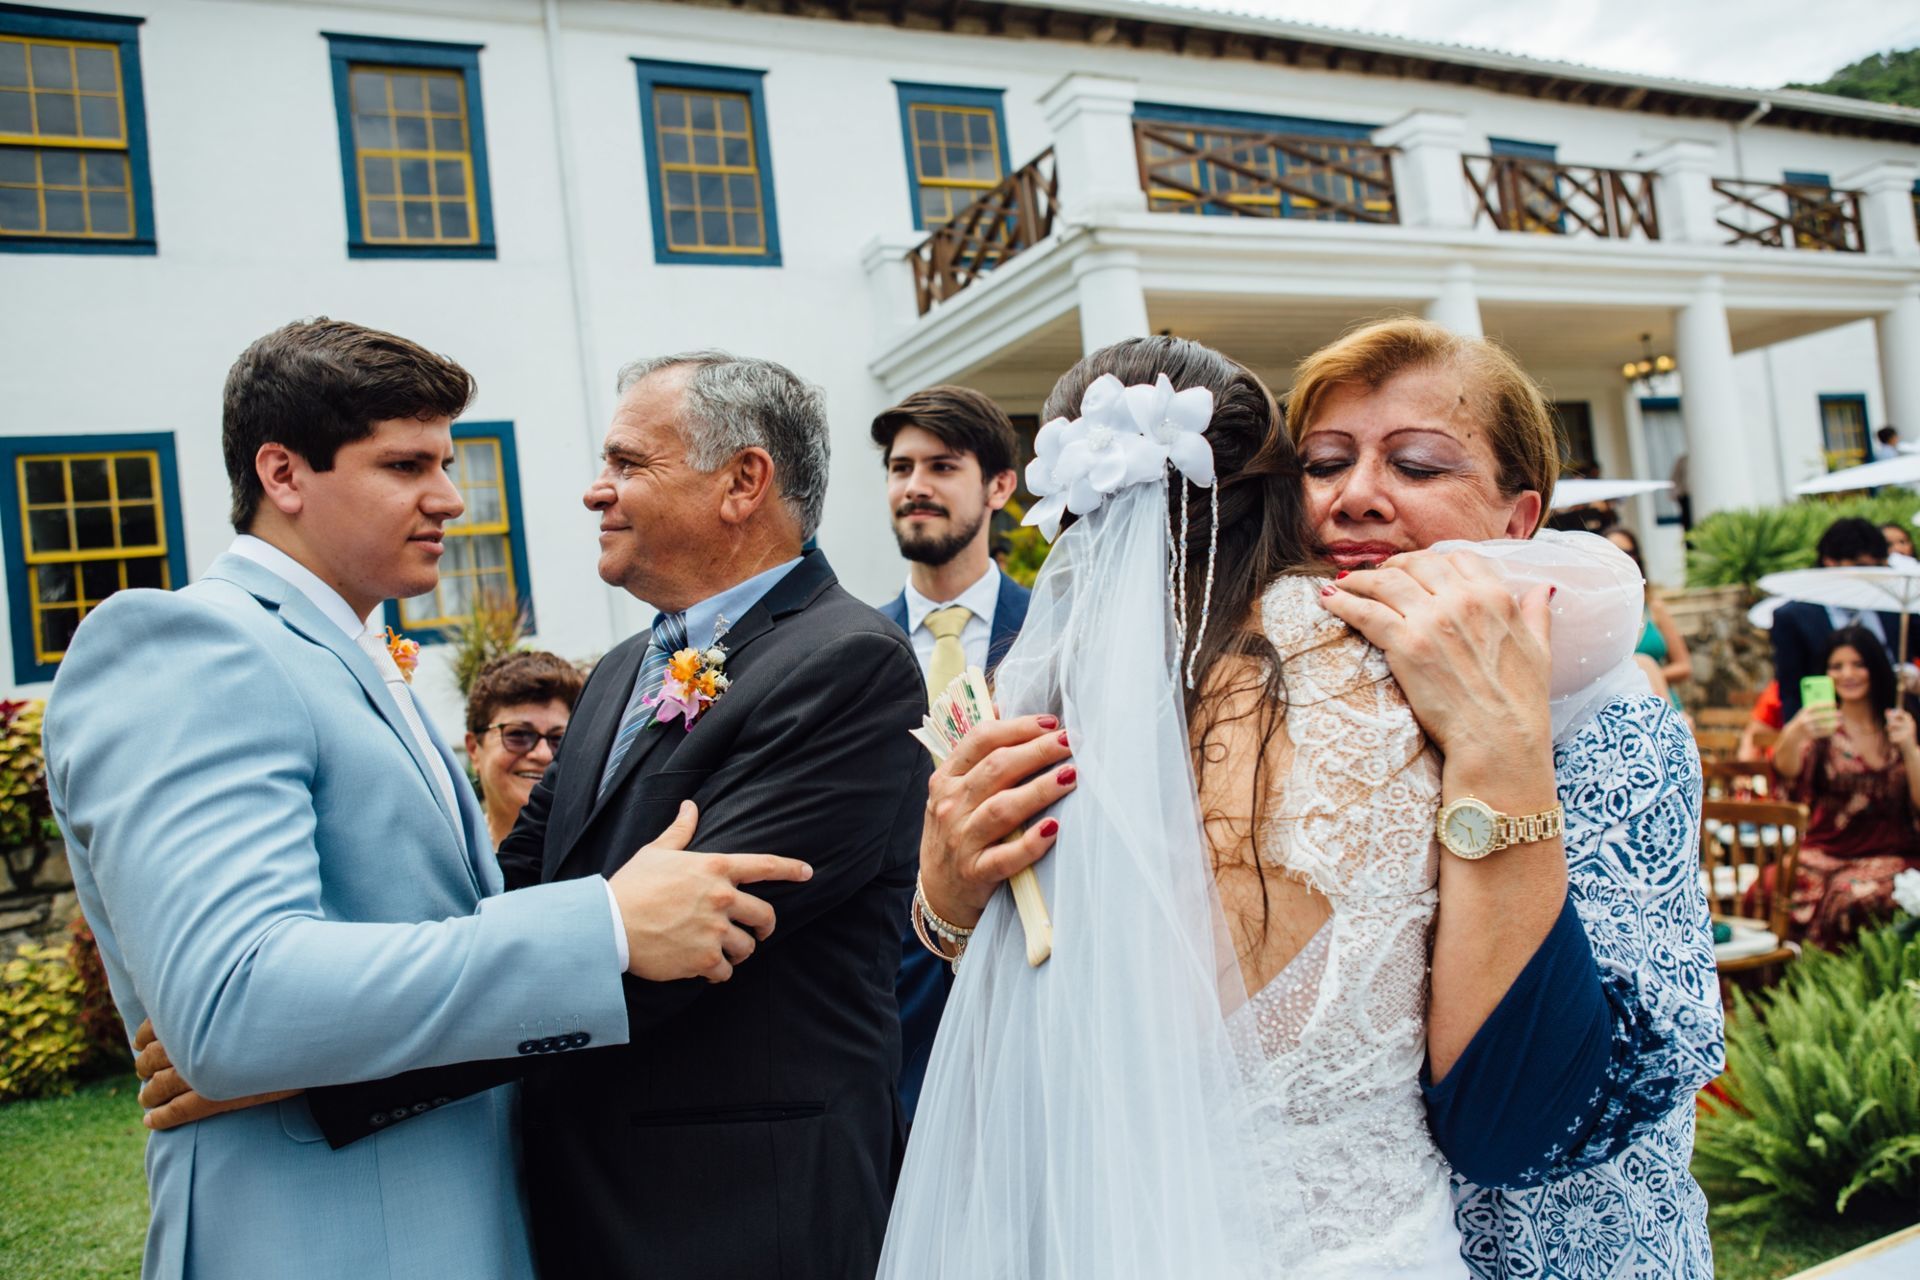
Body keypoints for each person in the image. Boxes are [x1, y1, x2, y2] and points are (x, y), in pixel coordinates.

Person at [910, 320, 1720, 1278]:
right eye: (1324, 463)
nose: (1356, 496)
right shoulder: (1205, 696)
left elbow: (1587, 1093)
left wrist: (1501, 753)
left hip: (1555, 1251)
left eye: (1417, 466)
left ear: (1518, 518)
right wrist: (951, 905)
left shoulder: (1612, 724)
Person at [47, 319, 809, 1280]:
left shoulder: (350, 655)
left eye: (446, 464)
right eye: (406, 466)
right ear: (283, 475)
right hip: (320, 1243)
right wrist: (605, 929)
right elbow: (234, 1000)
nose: (450, 497)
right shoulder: (190, 646)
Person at [871, 384, 1030, 1120]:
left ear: (999, 486)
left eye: (942, 467)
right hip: (885, 987)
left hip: (1027, 954)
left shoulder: (1055, 628)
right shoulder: (851, 650)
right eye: (900, 468)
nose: (915, 486)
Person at [1768, 626, 1920, 948]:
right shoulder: (1822, 728)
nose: (1847, 674)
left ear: (1875, 668)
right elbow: (1786, 772)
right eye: (1836, 666)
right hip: (1829, 848)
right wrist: (1794, 733)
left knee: (1852, 896)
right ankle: (1799, 973)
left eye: (1858, 664)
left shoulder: (1899, 725)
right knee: (1777, 882)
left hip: (1893, 851)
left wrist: (1909, 748)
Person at [1772, 518, 1917, 722]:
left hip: (1898, 724)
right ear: (1830, 562)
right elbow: (1791, 692)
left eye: (1878, 568)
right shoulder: (1794, 617)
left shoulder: (1895, 606)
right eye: (1862, 567)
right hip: (1832, 726)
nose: (1872, 577)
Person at [465, 651, 584, 847]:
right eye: (518, 735)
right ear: (473, 750)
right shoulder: (453, 856)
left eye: (559, 739)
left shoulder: (607, 856)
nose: (543, 754)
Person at [1604, 525, 1691, 708]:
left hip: (1663, 703)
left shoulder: (1654, 608)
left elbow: (1683, 666)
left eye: (1628, 553)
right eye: (1614, 552)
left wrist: (1651, 675)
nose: (1622, 559)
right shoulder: (1599, 614)